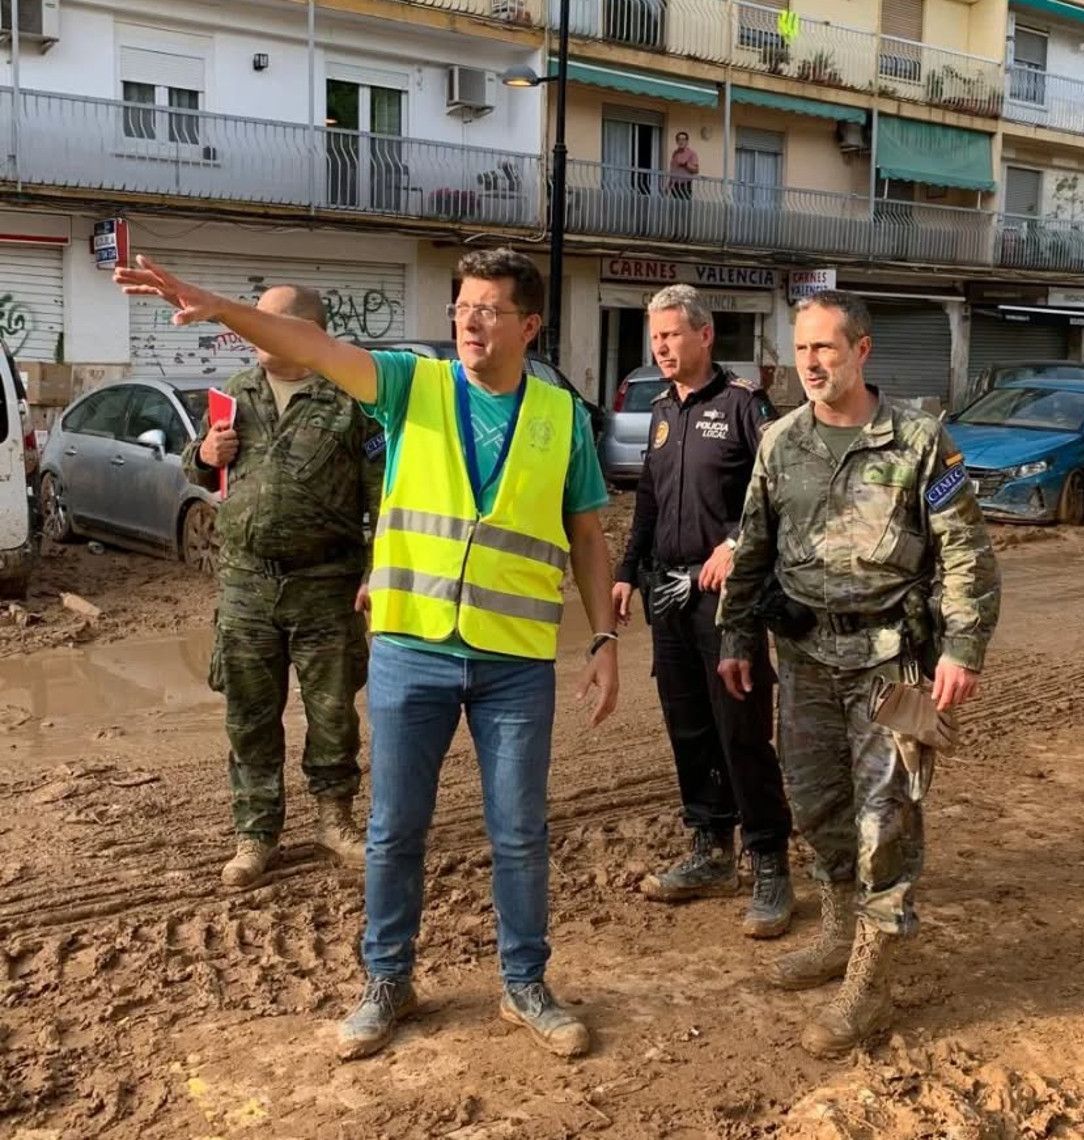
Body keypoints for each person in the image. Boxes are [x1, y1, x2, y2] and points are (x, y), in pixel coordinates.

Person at [116, 249, 619, 1063]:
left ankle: (525, 985)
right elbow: (311, 346)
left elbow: (588, 534)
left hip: (515, 662)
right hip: (411, 651)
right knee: (393, 830)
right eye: (462, 306)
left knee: (521, 832)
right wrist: (216, 304)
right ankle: (388, 980)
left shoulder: (561, 419)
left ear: (529, 325)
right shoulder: (409, 386)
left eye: (490, 309)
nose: (470, 321)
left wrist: (603, 640)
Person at [716, 290, 1000, 1059]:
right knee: (816, 806)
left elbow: (967, 552)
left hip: (892, 667)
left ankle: (871, 985)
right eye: (801, 349)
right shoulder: (779, 442)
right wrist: (738, 635)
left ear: (862, 350)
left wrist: (961, 649)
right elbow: (751, 548)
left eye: (826, 349)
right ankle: (840, 936)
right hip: (804, 658)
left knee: (887, 826)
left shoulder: (918, 441)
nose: (811, 364)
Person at [182, 284, 382, 890]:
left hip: (326, 583)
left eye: (265, 322)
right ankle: (256, 833)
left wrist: (379, 569)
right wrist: (203, 452)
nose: (251, 330)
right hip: (244, 582)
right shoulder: (234, 394)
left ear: (308, 331)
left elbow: (383, 492)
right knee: (249, 715)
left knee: (331, 711)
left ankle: (334, 819)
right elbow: (196, 465)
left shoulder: (351, 399)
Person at [612, 285, 793, 938]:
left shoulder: (744, 407)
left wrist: (738, 544)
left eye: (671, 335)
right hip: (669, 597)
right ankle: (711, 850)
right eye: (654, 336)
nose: (661, 347)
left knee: (741, 731)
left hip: (728, 601)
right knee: (688, 728)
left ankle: (770, 863)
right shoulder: (661, 412)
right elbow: (651, 504)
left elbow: (780, 495)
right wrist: (627, 573)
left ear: (704, 335)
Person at [667, 131, 699, 200]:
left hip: (685, 185)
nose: (681, 141)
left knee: (684, 208)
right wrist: (669, 185)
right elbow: (673, 170)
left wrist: (686, 165)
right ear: (676, 141)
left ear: (687, 142)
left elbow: (696, 170)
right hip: (674, 185)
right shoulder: (675, 153)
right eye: (679, 139)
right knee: (674, 208)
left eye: (683, 139)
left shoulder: (691, 153)